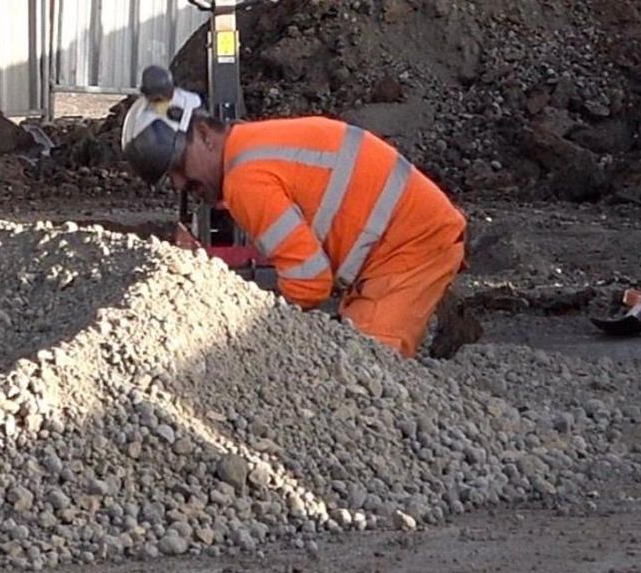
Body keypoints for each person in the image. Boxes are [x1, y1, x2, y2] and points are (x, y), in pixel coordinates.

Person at [118, 67, 476, 359]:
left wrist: (248, 329)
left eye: (178, 165)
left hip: (410, 247)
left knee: (368, 367)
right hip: (401, 240)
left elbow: (308, 283)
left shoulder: (246, 179)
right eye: (170, 177)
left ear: (205, 134)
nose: (180, 183)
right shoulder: (252, 146)